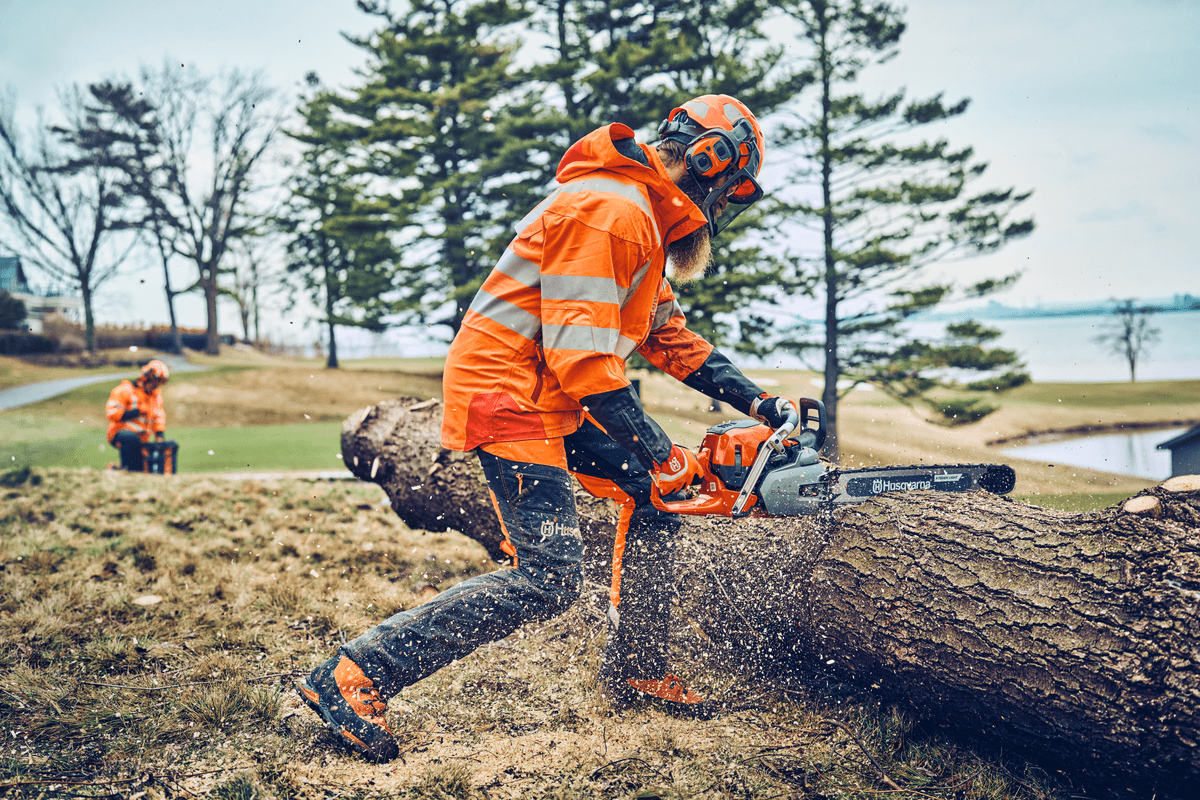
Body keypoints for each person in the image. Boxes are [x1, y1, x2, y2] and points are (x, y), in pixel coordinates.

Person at [297, 94, 799, 762]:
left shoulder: (642, 220)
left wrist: (761, 403)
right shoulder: (614, 212)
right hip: (508, 391)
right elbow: (584, 360)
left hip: (548, 389)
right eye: (728, 192)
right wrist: (661, 452)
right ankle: (356, 670)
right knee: (549, 576)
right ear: (709, 161)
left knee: (655, 498)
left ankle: (638, 667)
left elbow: (668, 338)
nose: (720, 211)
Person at [105, 359, 171, 471]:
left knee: (140, 468)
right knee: (130, 438)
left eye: (158, 384)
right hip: (119, 433)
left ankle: (117, 469)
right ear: (146, 378)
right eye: (154, 382)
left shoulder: (155, 398)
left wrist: (159, 436)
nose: (155, 386)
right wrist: (136, 412)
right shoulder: (125, 390)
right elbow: (111, 413)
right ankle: (125, 468)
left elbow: (159, 417)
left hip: (141, 439)